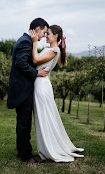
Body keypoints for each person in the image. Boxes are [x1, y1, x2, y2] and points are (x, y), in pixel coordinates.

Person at [29, 25, 84, 162]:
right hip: (40, 83)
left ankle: (50, 149)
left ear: (56, 36)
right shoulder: (50, 49)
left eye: (48, 33)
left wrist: (35, 42)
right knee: (43, 116)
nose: (45, 36)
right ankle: (47, 146)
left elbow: (36, 60)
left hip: (42, 85)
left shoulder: (54, 50)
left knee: (45, 117)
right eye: (46, 33)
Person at [7, 18, 50, 164]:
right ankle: (26, 155)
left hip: (21, 88)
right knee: (24, 123)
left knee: (22, 122)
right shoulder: (26, 42)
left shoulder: (25, 40)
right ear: (38, 29)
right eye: (44, 32)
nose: (44, 36)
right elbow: (21, 63)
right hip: (23, 89)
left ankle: (22, 151)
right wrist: (36, 73)